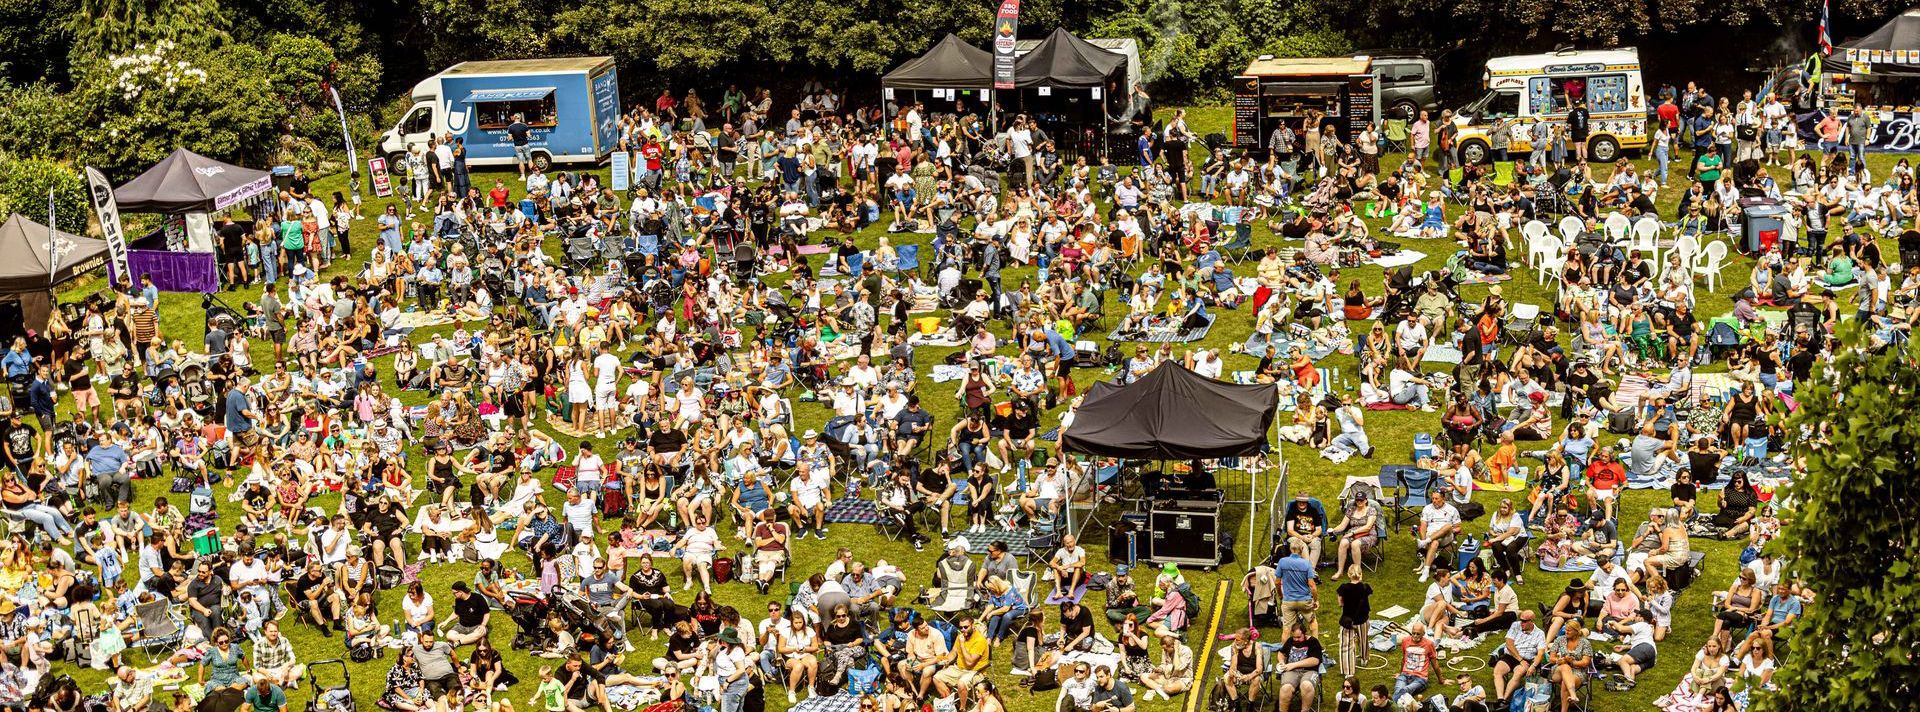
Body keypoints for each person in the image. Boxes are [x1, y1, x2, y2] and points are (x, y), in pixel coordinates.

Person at [1273, 624, 1324, 712]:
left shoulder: (1313, 641)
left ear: (1304, 634)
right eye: (1294, 637)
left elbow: (1315, 660)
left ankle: (1305, 710)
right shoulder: (1290, 641)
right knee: (1286, 688)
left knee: (1306, 685)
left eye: (1298, 637)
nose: (1296, 639)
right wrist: (1281, 662)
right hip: (1291, 671)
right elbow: (1281, 653)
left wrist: (1293, 665)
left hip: (1309, 671)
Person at [1393, 623, 1437, 706]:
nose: (1415, 635)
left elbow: (1435, 664)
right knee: (1398, 689)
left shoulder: (1429, 644)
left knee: (1405, 690)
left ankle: (1390, 706)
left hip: (1420, 678)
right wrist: (1400, 673)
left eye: (1418, 634)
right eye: (1413, 633)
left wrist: (1442, 680)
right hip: (1405, 675)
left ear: (1423, 634)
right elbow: (1404, 659)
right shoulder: (1405, 641)